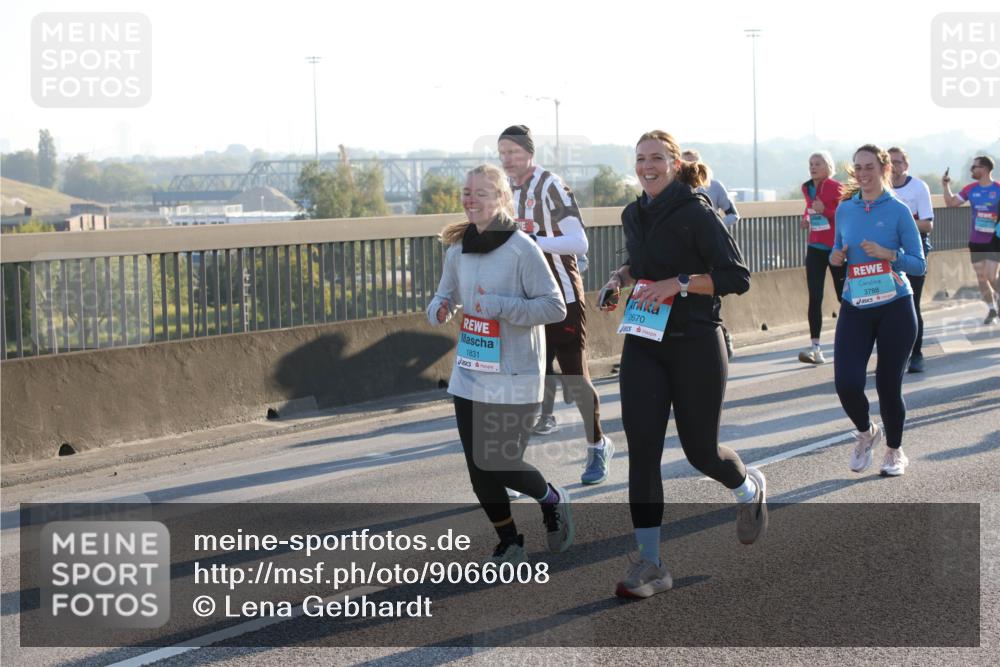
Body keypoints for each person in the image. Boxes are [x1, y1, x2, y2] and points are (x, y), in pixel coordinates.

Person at [598, 130, 762, 599]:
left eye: (655, 159)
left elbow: (737, 277)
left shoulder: (697, 211)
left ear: (673, 163)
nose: (646, 166)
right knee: (643, 451)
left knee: (701, 453)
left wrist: (679, 283)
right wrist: (618, 278)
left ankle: (748, 489)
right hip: (645, 342)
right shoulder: (633, 213)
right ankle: (650, 563)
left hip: (696, 342)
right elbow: (642, 263)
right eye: (640, 159)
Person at [427, 164, 574, 563]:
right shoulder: (458, 248)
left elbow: (554, 307)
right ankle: (510, 540)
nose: (469, 198)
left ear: (501, 199)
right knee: (478, 468)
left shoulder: (521, 248)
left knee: (500, 462)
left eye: (480, 192)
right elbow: (444, 295)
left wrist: (501, 308)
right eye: (466, 192)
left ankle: (551, 498)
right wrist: (440, 307)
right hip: (472, 371)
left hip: (515, 373)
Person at [498, 125, 614, 486]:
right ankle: (512, 472)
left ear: (529, 153)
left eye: (513, 153)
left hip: (562, 297)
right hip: (526, 302)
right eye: (502, 153)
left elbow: (579, 242)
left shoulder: (551, 186)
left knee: (576, 378)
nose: (507, 160)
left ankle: (597, 445)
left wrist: (534, 241)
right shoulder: (504, 192)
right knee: (522, 385)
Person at [829, 144, 926, 478]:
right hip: (856, 304)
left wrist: (889, 253)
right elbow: (836, 250)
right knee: (846, 382)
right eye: (857, 167)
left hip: (895, 306)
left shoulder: (898, 210)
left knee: (888, 385)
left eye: (869, 167)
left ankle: (895, 451)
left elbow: (919, 263)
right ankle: (866, 431)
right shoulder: (845, 210)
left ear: (884, 169)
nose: (862, 173)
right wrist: (835, 258)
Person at [681, 148, 740, 360]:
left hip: (709, 251)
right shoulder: (675, 188)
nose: (688, 168)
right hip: (687, 251)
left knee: (710, 295)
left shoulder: (714, 187)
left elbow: (734, 214)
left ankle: (721, 334)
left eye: (692, 163)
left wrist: (715, 228)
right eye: (683, 163)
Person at [888, 147, 934, 373]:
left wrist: (902, 225)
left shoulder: (918, 187)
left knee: (911, 304)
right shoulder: (880, 189)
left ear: (905, 166)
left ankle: (916, 354)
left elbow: (927, 224)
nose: (894, 167)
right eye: (889, 162)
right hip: (886, 252)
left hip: (914, 250)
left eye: (898, 162)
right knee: (886, 305)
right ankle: (891, 355)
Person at [798, 150, 845, 364]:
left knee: (842, 296)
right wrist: (806, 218)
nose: (813, 167)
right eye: (810, 163)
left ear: (828, 166)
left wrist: (825, 210)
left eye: (817, 163)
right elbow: (810, 209)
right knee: (815, 297)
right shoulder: (806, 187)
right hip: (815, 247)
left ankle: (850, 339)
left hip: (836, 247)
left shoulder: (837, 187)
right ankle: (815, 347)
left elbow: (845, 215)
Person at [942, 155, 1000, 324]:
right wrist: (946, 186)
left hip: (994, 239)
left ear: (985, 169)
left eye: (975, 167)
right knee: (981, 277)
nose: (971, 170)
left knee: (991, 275)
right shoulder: (970, 189)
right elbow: (951, 203)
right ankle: (991, 309)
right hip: (975, 239)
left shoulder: (998, 189)